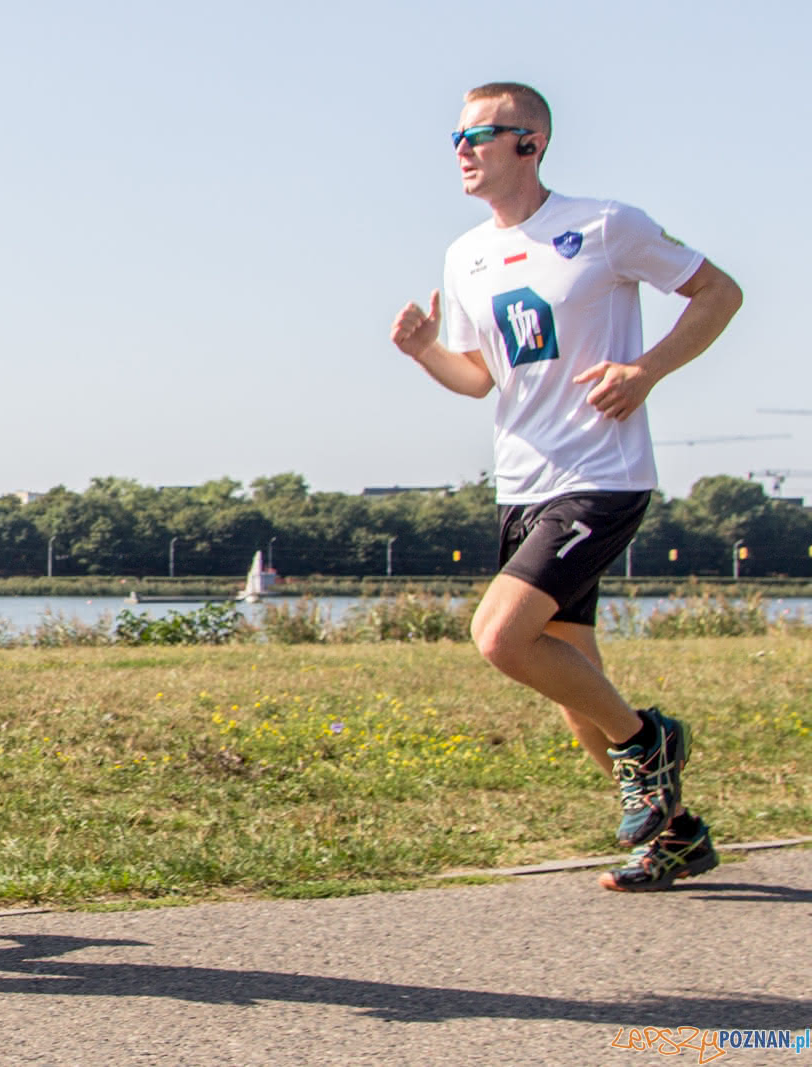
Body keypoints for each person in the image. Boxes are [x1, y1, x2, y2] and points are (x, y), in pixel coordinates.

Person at [389, 82, 742, 892]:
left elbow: (720, 292)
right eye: (456, 137)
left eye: (479, 135)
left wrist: (646, 370)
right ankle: (678, 834)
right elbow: (479, 377)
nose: (461, 150)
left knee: (501, 637)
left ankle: (649, 741)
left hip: (601, 474)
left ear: (530, 143)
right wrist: (422, 352)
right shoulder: (466, 254)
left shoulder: (607, 226)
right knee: (574, 682)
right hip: (522, 485)